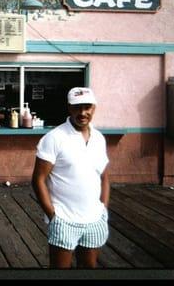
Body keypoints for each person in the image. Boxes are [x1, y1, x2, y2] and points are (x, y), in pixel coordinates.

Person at [32, 87, 110, 269]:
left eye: (87, 107)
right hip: (64, 220)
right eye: (77, 107)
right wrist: (53, 216)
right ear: (69, 108)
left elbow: (105, 177)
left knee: (89, 268)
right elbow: (38, 180)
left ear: (94, 108)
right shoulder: (54, 138)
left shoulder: (99, 138)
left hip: (94, 219)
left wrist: (103, 209)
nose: (82, 113)